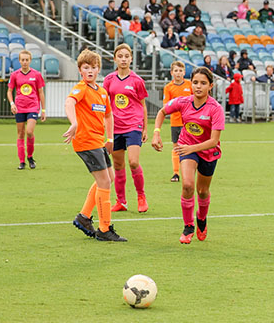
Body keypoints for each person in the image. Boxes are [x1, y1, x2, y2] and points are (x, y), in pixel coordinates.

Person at [152, 67, 225, 244]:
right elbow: (162, 112)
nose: (198, 86)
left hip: (208, 152)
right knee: (187, 185)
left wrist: (192, 148)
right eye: (195, 82)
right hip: (187, 148)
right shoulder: (183, 101)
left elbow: (214, 141)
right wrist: (156, 133)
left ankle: (201, 218)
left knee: (202, 191)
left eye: (203, 83)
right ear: (190, 84)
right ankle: (188, 226)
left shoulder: (216, 109)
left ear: (211, 86)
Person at [64, 49, 127, 242]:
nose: (90, 71)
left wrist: (110, 138)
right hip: (86, 141)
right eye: (86, 67)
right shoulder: (81, 88)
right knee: (105, 181)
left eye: (93, 67)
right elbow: (69, 102)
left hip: (98, 141)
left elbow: (108, 115)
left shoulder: (102, 92)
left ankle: (84, 217)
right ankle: (104, 229)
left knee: (109, 178)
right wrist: (74, 123)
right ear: (80, 70)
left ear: (99, 69)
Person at [103, 44, 149, 213]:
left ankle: (141, 196)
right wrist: (104, 123)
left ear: (131, 59)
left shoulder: (137, 81)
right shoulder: (109, 79)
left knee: (133, 162)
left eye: (126, 56)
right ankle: (121, 201)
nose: (123, 59)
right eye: (120, 56)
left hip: (133, 125)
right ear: (115, 59)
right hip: (115, 126)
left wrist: (145, 128)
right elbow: (104, 103)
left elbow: (143, 105)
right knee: (118, 164)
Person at [7, 50, 46, 169]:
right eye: (22, 60)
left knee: (29, 131)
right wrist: (12, 104)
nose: (24, 62)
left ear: (30, 60)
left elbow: (41, 92)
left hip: (33, 107)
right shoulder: (14, 75)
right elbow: (9, 91)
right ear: (19, 61)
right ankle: (22, 161)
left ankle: (30, 156)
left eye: (27, 60)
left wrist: (43, 110)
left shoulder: (36, 74)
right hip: (19, 107)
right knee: (20, 134)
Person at [162, 61, 193, 183]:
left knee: (190, 146)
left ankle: (190, 171)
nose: (178, 73)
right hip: (175, 122)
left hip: (188, 122)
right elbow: (166, 105)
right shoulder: (168, 87)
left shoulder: (189, 85)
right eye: (176, 71)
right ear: (171, 73)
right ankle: (176, 173)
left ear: (184, 72)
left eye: (180, 71)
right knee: (176, 147)